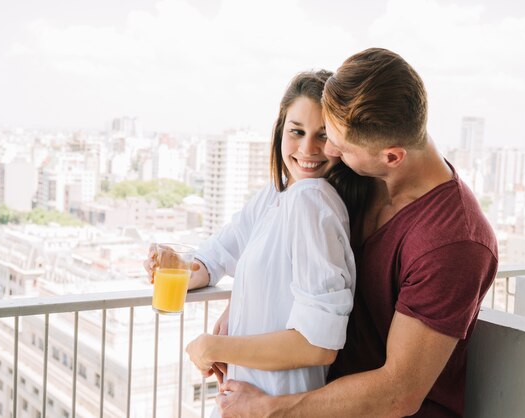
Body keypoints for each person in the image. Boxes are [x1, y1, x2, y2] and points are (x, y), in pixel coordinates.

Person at [213, 48, 498, 418]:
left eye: (341, 146)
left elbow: (397, 394)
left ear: (392, 156)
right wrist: (240, 304)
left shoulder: (454, 243)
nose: (327, 150)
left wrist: (269, 409)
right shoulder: (359, 177)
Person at [144, 70, 370, 412]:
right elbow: (218, 254)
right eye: (297, 131)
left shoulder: (311, 201)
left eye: (322, 136)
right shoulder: (278, 193)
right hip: (247, 402)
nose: (308, 149)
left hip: (279, 406)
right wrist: (175, 264)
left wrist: (215, 347)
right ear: (280, 131)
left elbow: (318, 345)